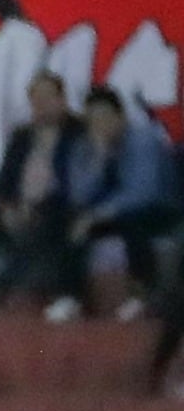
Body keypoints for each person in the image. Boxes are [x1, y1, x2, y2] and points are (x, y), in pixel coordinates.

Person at [0, 72, 77, 321]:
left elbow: (77, 182)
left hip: (59, 206)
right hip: (19, 205)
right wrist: (10, 206)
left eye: (47, 97)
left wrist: (37, 206)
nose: (41, 104)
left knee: (45, 223)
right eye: (36, 99)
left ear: (61, 99)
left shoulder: (76, 133)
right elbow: (3, 183)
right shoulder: (22, 137)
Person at [60, 87, 178, 322]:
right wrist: (99, 158)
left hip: (159, 208)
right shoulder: (86, 145)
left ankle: (141, 295)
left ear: (120, 116)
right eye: (93, 119)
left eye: (105, 116)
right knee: (69, 223)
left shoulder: (143, 139)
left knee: (133, 221)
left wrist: (98, 214)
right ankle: (72, 296)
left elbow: (142, 193)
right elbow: (79, 195)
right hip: (111, 212)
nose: (100, 124)